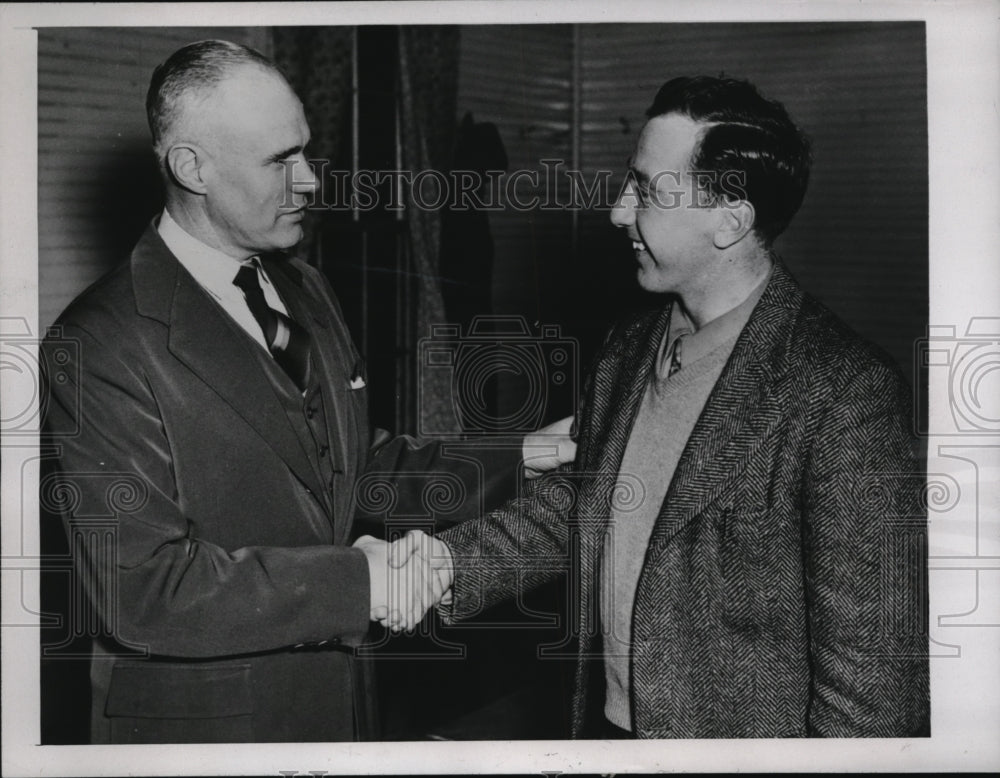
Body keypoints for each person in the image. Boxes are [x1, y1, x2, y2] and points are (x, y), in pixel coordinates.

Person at [40, 39, 573, 744]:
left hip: (339, 708)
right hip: (207, 734)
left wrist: (519, 454)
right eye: (278, 161)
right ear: (191, 166)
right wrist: (365, 583)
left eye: (305, 152)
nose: (311, 182)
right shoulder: (101, 341)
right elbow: (143, 589)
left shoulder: (300, 286)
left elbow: (355, 470)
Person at [392, 75, 930, 738]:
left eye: (645, 191)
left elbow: (872, 695)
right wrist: (445, 564)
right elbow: (581, 506)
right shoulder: (631, 342)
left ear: (731, 218)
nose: (619, 212)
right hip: (609, 731)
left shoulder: (847, 396)